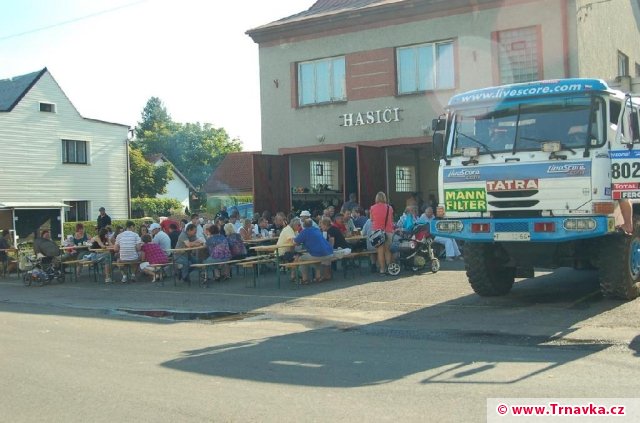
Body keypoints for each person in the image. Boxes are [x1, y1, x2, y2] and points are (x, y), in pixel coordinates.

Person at [293, 218, 334, 283]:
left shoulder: (305, 231)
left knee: (301, 258)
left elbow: (295, 242)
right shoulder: (317, 230)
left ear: (303, 225)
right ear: (311, 224)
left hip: (320, 254)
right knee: (315, 257)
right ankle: (318, 276)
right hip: (329, 252)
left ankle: (305, 279)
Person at [370, 191, 394, 275]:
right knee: (388, 251)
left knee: (380, 252)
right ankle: (389, 268)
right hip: (388, 231)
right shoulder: (389, 208)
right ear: (384, 198)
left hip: (377, 232)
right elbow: (391, 219)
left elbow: (371, 219)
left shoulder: (372, 208)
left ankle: (382, 269)